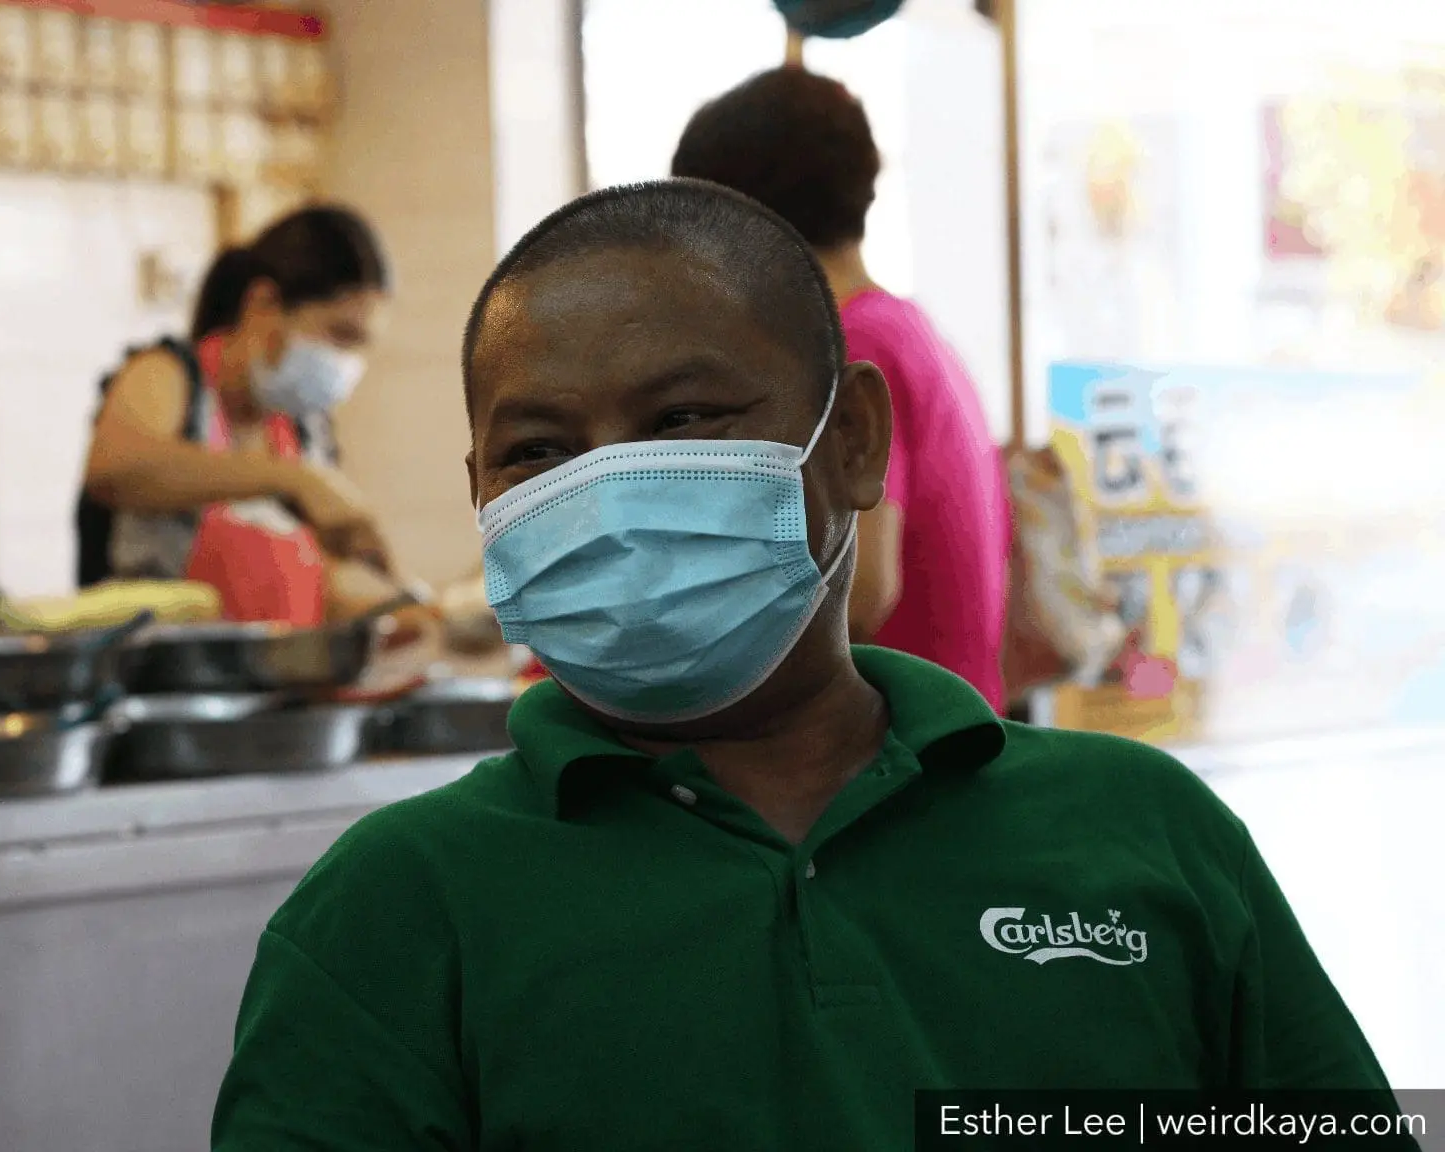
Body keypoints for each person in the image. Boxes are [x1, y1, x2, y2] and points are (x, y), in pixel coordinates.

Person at [211, 181, 1405, 1150]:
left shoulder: (1144, 834)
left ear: (855, 446)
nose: (612, 495)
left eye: (683, 422)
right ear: (482, 495)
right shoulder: (392, 915)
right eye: (539, 450)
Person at [672, 66, 1012, 713]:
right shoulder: (908, 331)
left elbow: (857, 596)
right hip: (943, 738)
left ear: (738, 218)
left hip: (897, 763)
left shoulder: (846, 346)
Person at [76, 205, 392, 626]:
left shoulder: (303, 429)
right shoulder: (168, 376)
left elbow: (322, 590)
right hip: (158, 679)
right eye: (338, 334)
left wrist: (414, 614)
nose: (344, 361)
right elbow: (115, 469)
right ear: (263, 303)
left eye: (358, 345)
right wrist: (295, 479)